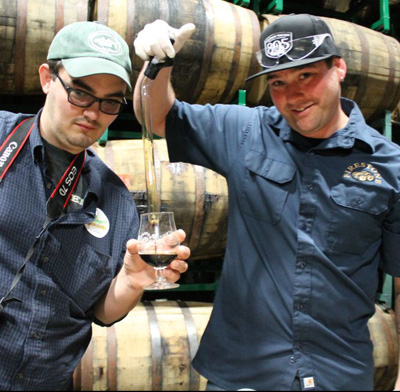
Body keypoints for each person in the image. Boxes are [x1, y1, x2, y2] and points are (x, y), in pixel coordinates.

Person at [133, 14, 400, 391]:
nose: (293, 95)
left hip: (337, 375)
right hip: (243, 373)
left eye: (306, 76)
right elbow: (155, 116)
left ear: (338, 67)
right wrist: (156, 66)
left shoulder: (389, 165)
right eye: (278, 83)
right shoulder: (246, 132)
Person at [0, 21, 190, 391]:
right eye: (80, 93)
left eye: (109, 102)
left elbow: (102, 310)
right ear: (46, 78)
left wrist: (132, 281)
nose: (92, 113)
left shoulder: (117, 201)